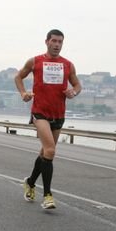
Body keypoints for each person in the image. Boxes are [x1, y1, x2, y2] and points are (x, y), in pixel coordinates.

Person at [15, 29, 82, 209]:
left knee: (45, 153)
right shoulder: (35, 61)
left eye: (60, 42)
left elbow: (77, 84)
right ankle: (47, 196)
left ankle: (30, 182)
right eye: (54, 41)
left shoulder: (68, 65)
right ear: (47, 42)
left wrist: (73, 92)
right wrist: (23, 93)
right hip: (40, 112)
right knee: (50, 150)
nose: (57, 45)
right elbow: (18, 77)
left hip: (58, 114)